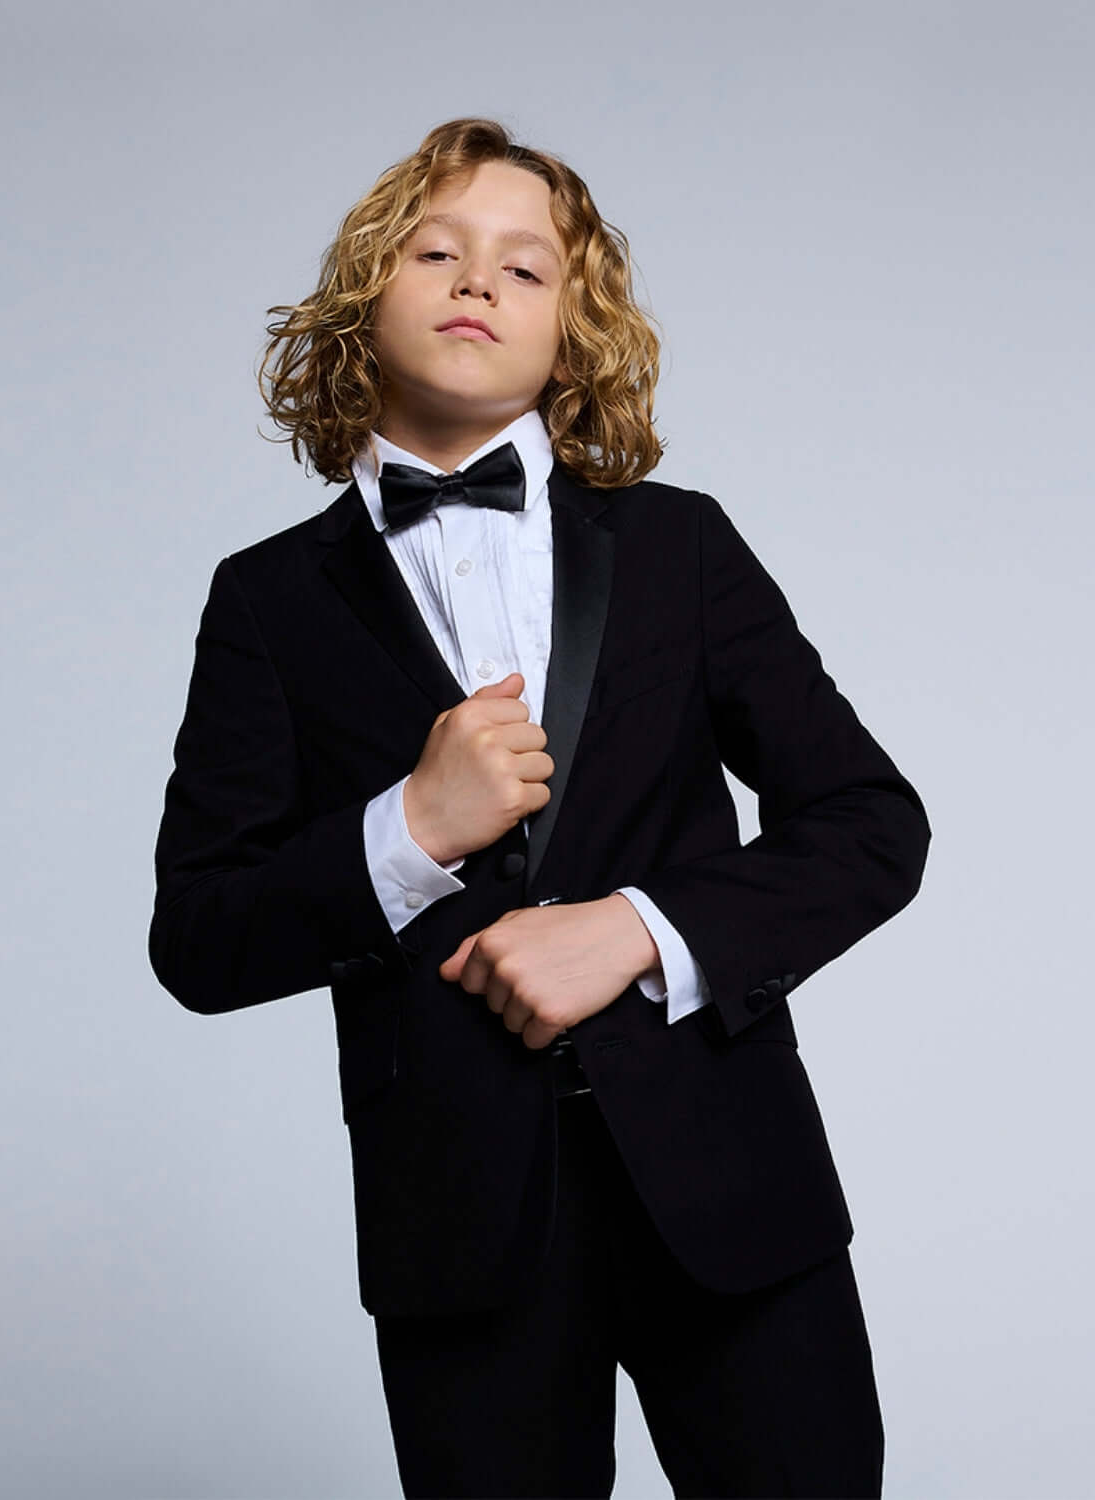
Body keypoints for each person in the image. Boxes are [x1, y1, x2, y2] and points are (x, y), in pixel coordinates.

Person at [148, 116, 931, 1499]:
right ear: (360, 303)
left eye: (525, 269)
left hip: (733, 1187)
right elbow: (200, 940)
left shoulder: (681, 545)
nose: (475, 282)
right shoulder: (266, 600)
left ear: (574, 333)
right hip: (459, 1227)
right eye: (436, 250)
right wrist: (407, 831)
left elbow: (870, 822)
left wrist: (638, 929)